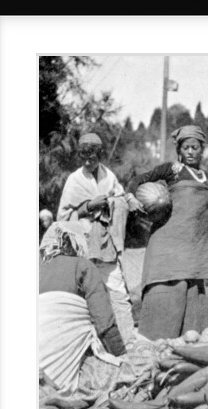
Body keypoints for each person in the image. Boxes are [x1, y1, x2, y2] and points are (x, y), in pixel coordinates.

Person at [126, 125, 208, 340]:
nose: (191, 151)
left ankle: (188, 346)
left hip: (195, 247)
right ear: (179, 150)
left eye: (195, 147)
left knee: (193, 293)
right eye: (186, 147)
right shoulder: (172, 170)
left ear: (202, 149)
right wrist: (131, 198)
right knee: (168, 291)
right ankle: (156, 346)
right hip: (168, 245)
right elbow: (136, 181)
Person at [57, 132, 136, 344]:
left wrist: (118, 201)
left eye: (93, 157)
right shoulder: (74, 180)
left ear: (100, 155)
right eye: (84, 157)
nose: (88, 161)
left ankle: (128, 340)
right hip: (82, 245)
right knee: (82, 293)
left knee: (117, 290)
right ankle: (83, 343)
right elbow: (62, 217)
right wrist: (88, 207)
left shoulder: (109, 176)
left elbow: (120, 197)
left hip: (105, 243)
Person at [39, 221, 126, 396]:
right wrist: (121, 355)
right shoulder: (83, 266)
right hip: (57, 375)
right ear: (74, 241)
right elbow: (104, 321)